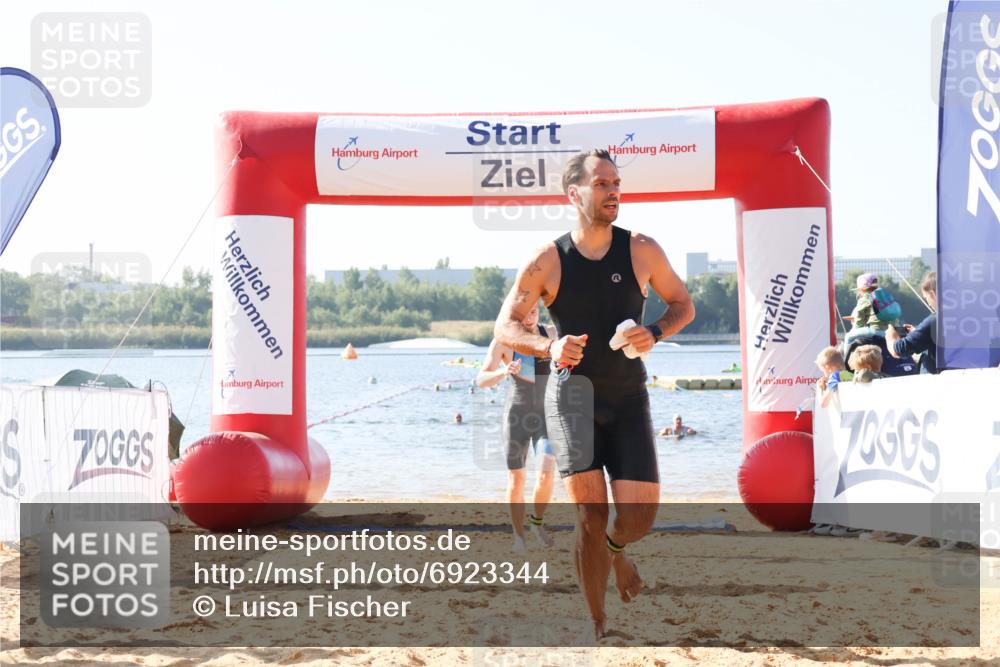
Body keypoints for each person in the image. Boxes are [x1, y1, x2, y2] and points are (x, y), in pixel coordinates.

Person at [494, 148, 695, 640]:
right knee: (590, 515)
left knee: (639, 518)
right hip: (571, 400)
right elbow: (505, 326)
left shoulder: (642, 249)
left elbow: (683, 303)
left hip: (628, 399)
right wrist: (549, 344)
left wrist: (657, 332)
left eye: (616, 183)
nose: (613, 191)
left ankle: (618, 550)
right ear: (574, 193)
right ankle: (598, 624)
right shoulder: (548, 259)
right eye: (602, 183)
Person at [477, 300, 558, 551]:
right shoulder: (503, 341)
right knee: (517, 478)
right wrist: (503, 373)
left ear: (538, 312)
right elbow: (481, 379)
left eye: (534, 311)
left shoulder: (551, 335)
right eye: (524, 313)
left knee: (546, 470)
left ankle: (537, 522)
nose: (529, 317)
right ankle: (518, 536)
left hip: (545, 415)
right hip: (516, 416)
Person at [886, 271, 938, 374]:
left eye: (926, 297)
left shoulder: (934, 321)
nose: (928, 302)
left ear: (932, 294)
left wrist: (891, 336)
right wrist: (918, 333)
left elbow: (899, 350)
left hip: (939, 385)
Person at [844, 273, 902, 348]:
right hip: (894, 331)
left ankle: (845, 359)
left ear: (862, 289)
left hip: (877, 332)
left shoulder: (865, 298)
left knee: (848, 337)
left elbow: (859, 322)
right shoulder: (885, 296)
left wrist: (854, 329)